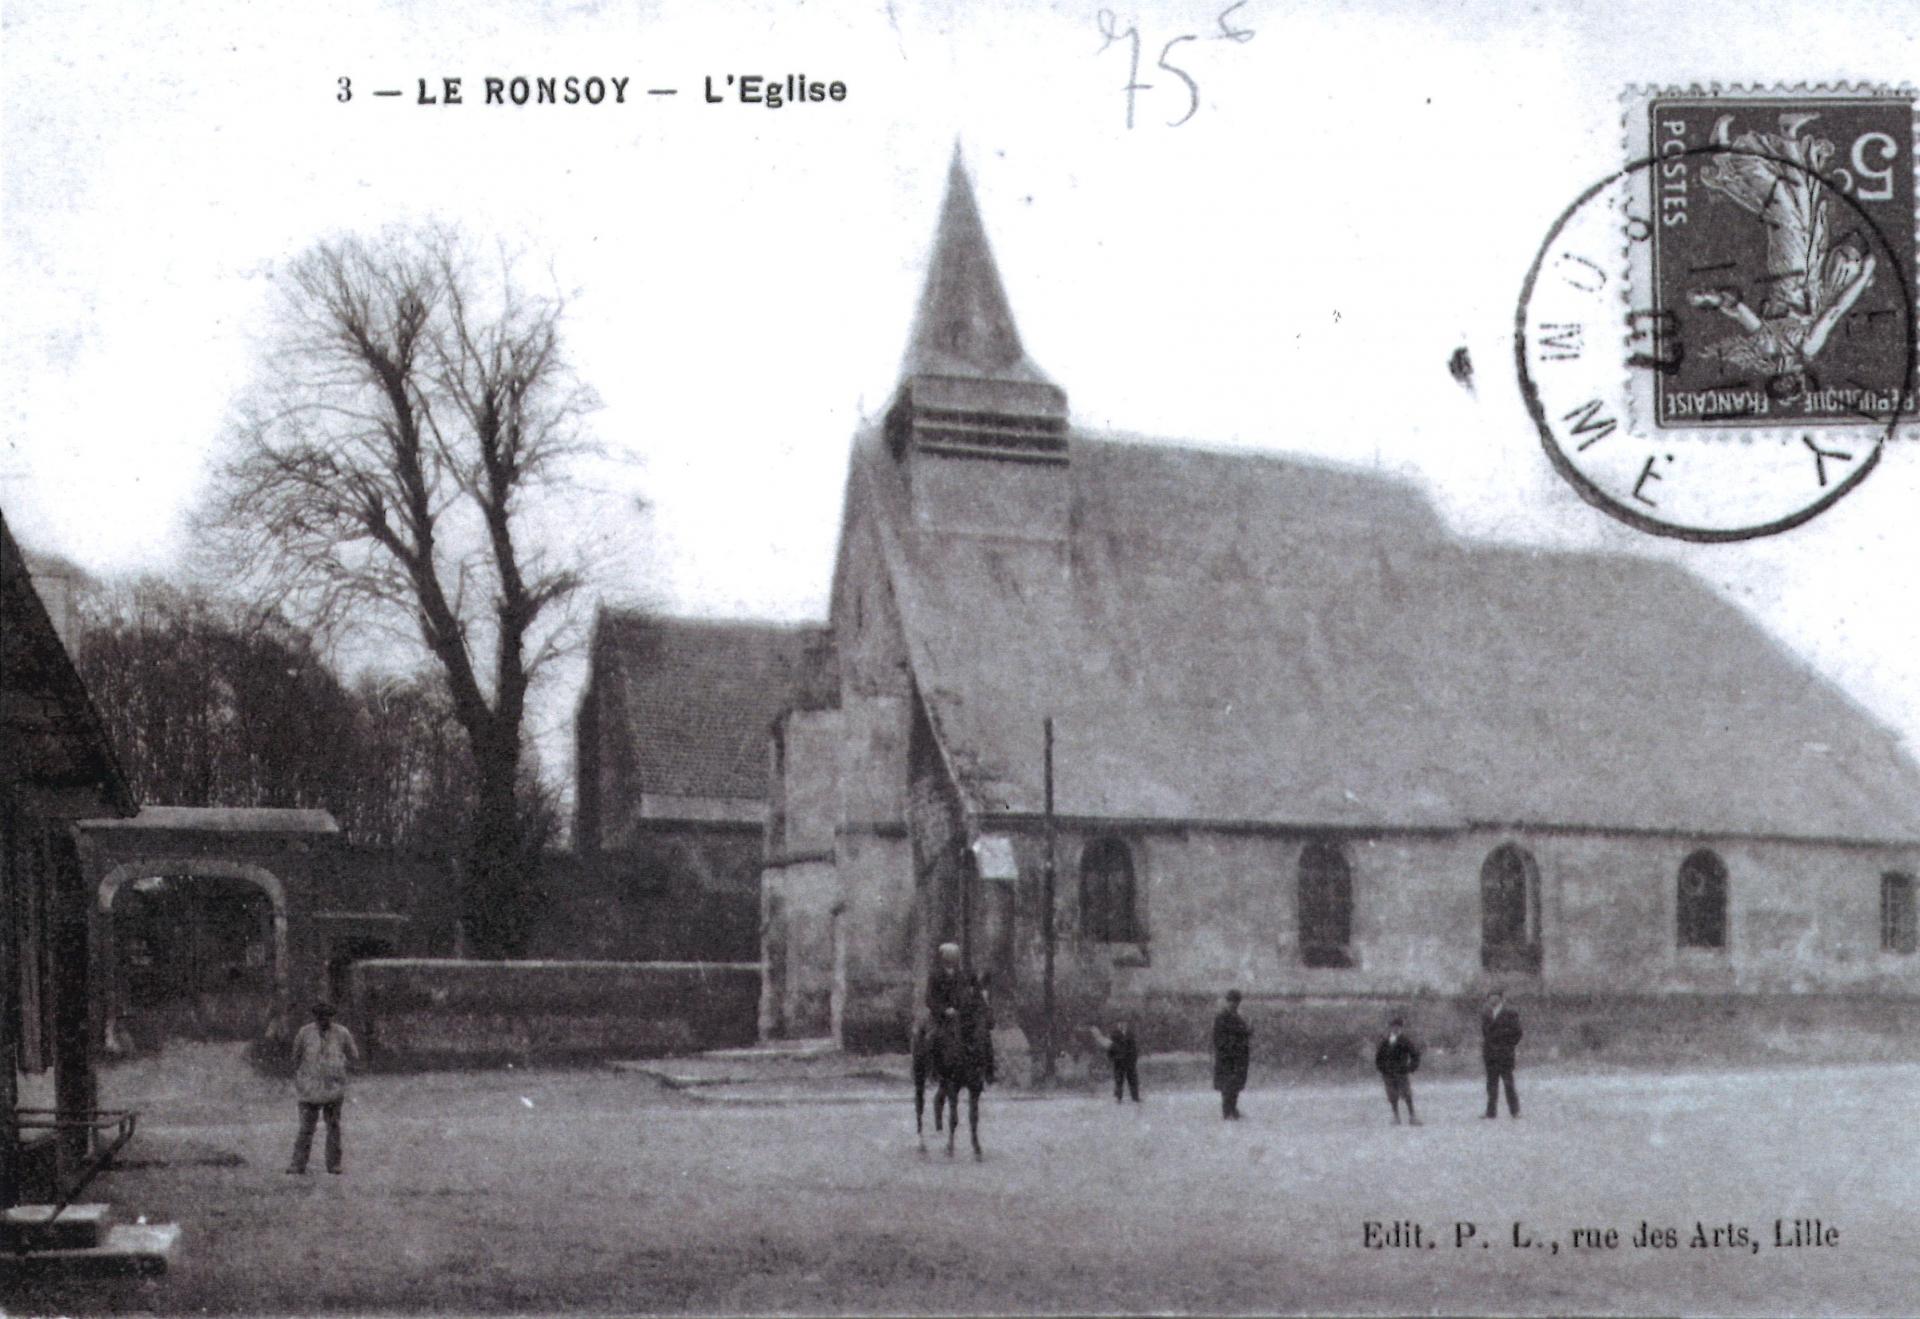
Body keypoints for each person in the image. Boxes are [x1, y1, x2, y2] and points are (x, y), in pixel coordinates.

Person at [286, 1000, 359, 1175]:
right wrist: (300, 1079)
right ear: (315, 1017)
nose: (323, 1020)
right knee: (306, 1128)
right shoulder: (304, 1033)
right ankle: (298, 1164)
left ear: (331, 1017)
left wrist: (340, 1070)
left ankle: (334, 1164)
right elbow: (295, 1057)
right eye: (319, 1017)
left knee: (333, 1126)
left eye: (326, 1016)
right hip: (309, 1088)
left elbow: (354, 1055)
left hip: (333, 1088)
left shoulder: (342, 1033)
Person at [1480, 990, 1523, 1119]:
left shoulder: (1510, 1013)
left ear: (1501, 998)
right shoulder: (1486, 1013)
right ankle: (1491, 1112)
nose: (1492, 1000)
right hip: (1490, 1054)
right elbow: (1485, 1033)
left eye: (1495, 997)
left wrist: (1508, 1045)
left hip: (1505, 1054)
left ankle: (1514, 1111)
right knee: (1491, 1084)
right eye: (1490, 997)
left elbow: (1518, 1032)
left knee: (1508, 1083)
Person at [1374, 1015, 1421, 1126]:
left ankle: (1412, 1116)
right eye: (1393, 1027)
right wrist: (1382, 1068)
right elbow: (1378, 1057)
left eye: (1398, 1027)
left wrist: (1410, 1068)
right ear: (1390, 1028)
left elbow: (1415, 1055)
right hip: (1388, 1072)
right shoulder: (1385, 1041)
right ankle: (1396, 1116)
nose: (1395, 1029)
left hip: (1401, 1071)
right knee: (1392, 1095)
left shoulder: (1405, 1040)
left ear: (1401, 1028)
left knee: (1407, 1094)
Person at [1211, 990, 1251, 1119]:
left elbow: (1241, 1034)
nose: (1234, 1004)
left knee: (1235, 1085)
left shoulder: (1237, 1017)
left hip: (1238, 1057)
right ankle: (1227, 1111)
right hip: (1227, 1057)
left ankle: (1232, 1109)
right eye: (1232, 1001)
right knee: (1227, 1086)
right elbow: (1218, 1038)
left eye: (1236, 1002)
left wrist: (1247, 1032)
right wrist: (1232, 1045)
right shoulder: (1222, 1017)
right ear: (1227, 1002)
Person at [1107, 1018, 1141, 1103]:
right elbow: (1111, 1048)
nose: (1122, 1025)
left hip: (1129, 1062)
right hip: (1118, 1062)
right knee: (1119, 1081)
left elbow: (1134, 1048)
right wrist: (1112, 1058)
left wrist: (1133, 1059)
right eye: (1120, 1023)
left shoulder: (1130, 1034)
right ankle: (1119, 1098)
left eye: (1124, 1023)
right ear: (1118, 1024)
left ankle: (1135, 1097)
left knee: (1133, 1080)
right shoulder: (1114, 1035)